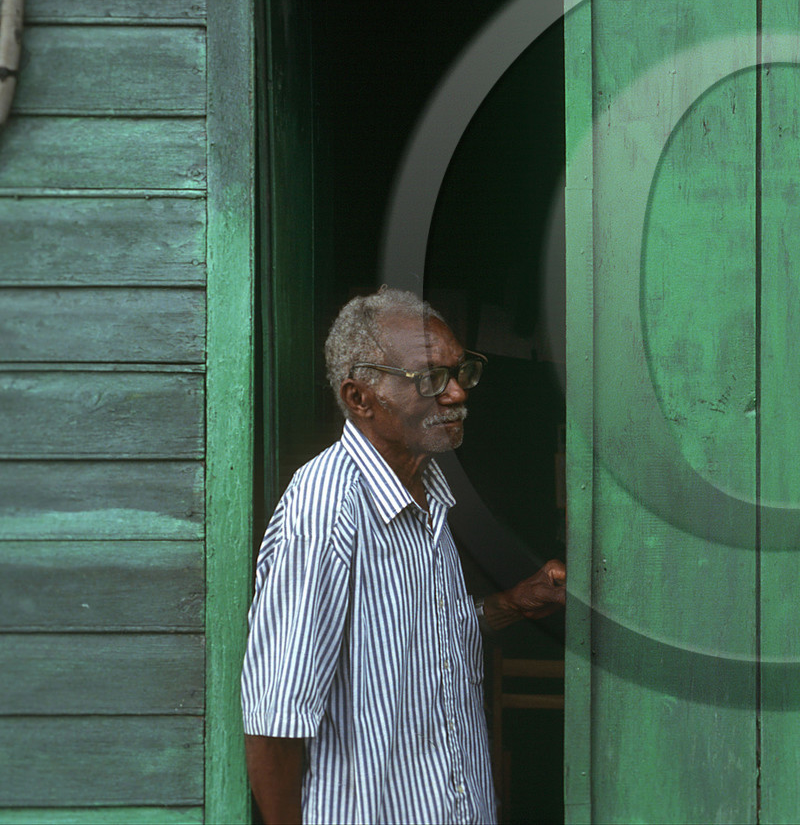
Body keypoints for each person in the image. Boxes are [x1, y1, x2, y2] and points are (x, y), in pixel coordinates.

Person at [241, 287, 565, 824]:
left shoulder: (427, 489)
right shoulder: (327, 510)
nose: (458, 393)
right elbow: (275, 724)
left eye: (461, 373)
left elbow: (419, 641)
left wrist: (510, 604)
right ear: (360, 398)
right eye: (431, 379)